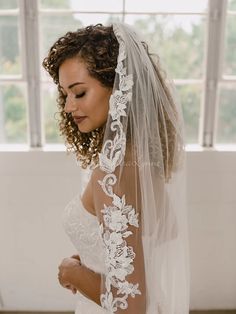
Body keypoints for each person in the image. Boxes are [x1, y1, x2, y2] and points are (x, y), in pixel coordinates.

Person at [43, 23, 190, 314]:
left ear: (119, 88)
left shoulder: (110, 176)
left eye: (79, 93)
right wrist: (94, 256)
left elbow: (132, 305)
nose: (69, 107)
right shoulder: (143, 160)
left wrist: (72, 272)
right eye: (65, 95)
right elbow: (163, 232)